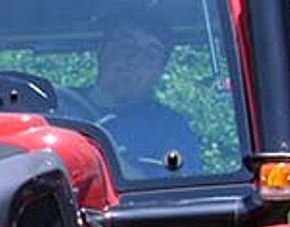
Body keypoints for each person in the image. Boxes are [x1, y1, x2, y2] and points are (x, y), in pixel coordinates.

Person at [83, 27, 201, 179]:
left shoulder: (170, 128)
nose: (134, 59)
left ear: (160, 70)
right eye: (125, 45)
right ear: (101, 51)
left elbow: (179, 192)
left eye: (150, 55)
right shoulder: (60, 107)